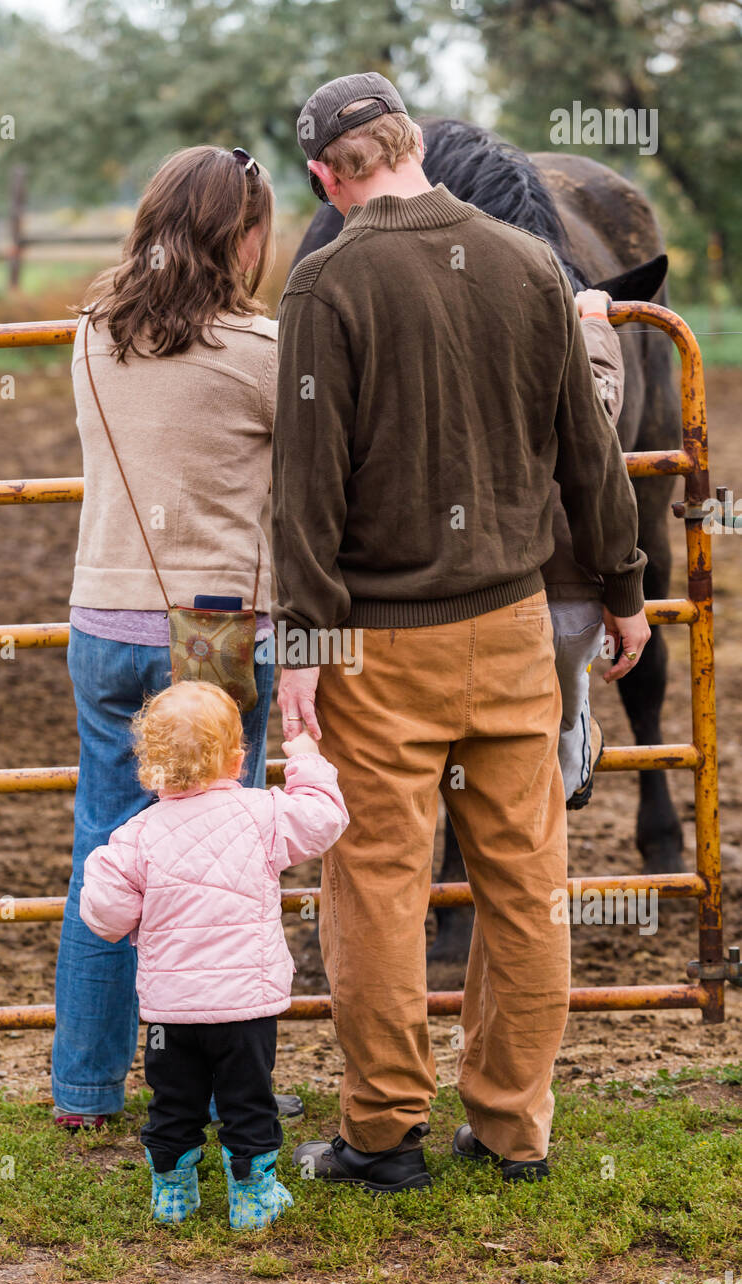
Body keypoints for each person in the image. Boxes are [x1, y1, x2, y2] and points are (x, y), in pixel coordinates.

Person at [273, 73, 650, 1188]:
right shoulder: (532, 264)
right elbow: (589, 455)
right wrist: (623, 589)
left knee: (375, 892)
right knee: (526, 886)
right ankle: (510, 1123)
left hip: (376, 647)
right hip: (509, 625)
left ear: (322, 175)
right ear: (410, 144)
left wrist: (301, 646)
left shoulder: (325, 282)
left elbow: (304, 494)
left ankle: (384, 1131)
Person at [51, 144, 301, 1129]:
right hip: (215, 637)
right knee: (221, 871)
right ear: (240, 236)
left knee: (104, 857)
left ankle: (82, 1087)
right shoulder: (262, 350)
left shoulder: (89, 336)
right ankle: (228, 1090)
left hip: (103, 623)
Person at [78, 681, 349, 1228]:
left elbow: (104, 918)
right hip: (244, 1008)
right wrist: (306, 761)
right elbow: (324, 818)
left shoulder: (134, 837)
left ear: (148, 765)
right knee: (249, 1102)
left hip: (169, 1014)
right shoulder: (262, 815)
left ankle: (172, 1196)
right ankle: (252, 1199)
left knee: (172, 1102)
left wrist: (116, 887)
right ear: (237, 756)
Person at [552, 287, 627, 808]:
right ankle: (573, 750)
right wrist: (596, 321)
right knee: (562, 702)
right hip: (565, 586)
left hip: (481, 587)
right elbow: (597, 402)